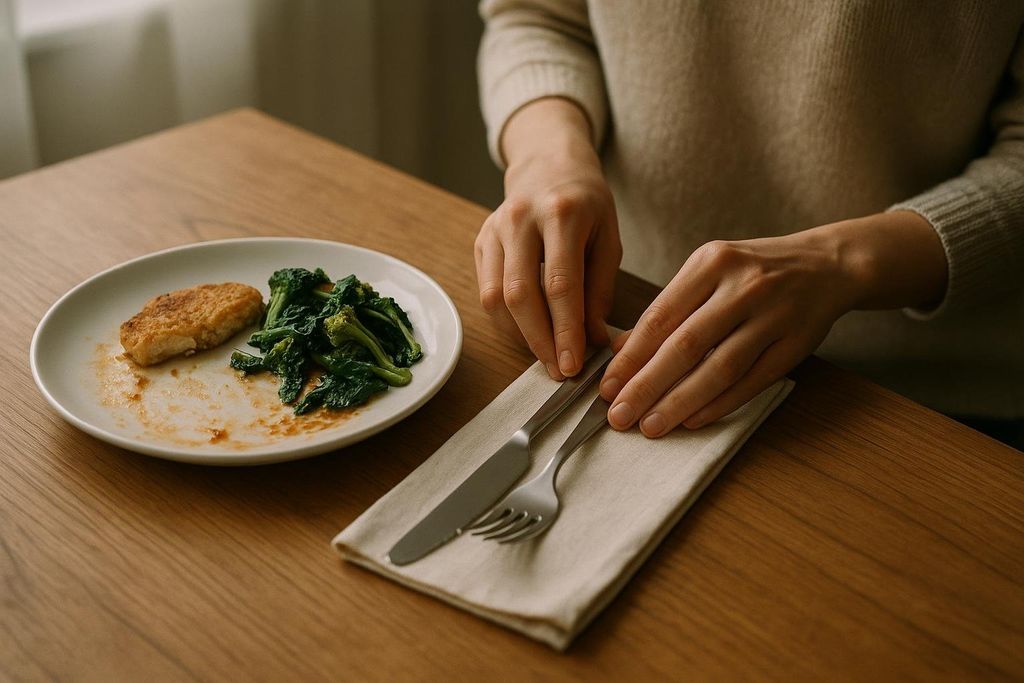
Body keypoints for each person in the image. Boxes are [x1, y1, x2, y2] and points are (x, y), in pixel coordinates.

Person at [474, 1, 1024, 443]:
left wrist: (846, 264)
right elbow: (537, 18)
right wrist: (547, 156)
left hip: (927, 400)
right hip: (629, 314)